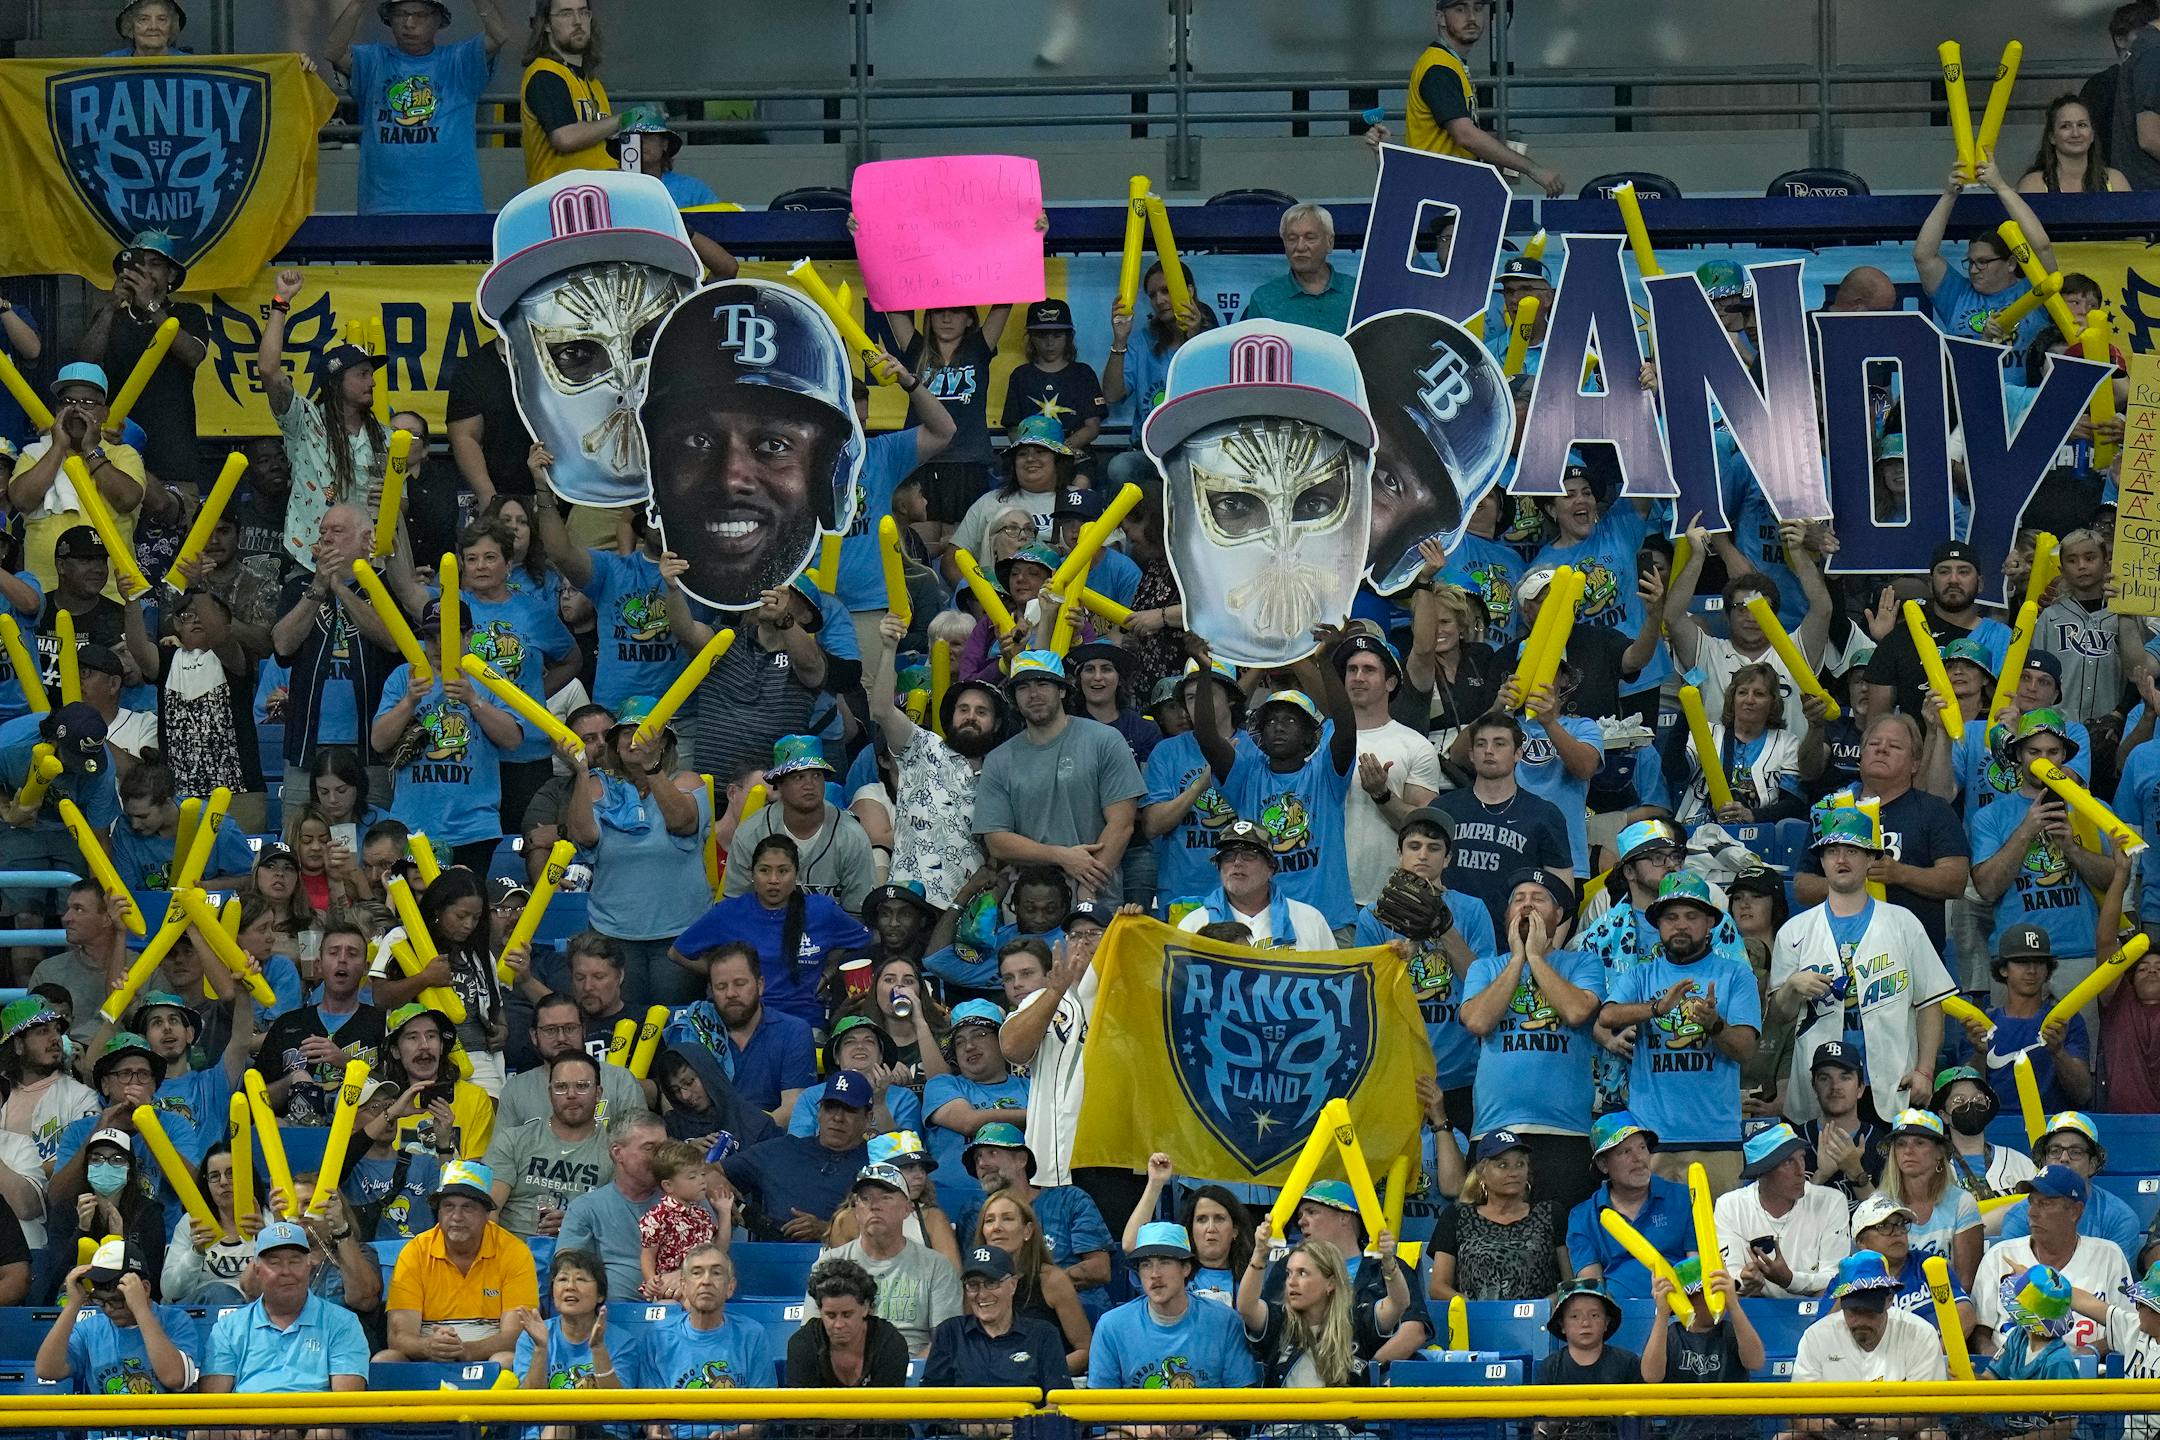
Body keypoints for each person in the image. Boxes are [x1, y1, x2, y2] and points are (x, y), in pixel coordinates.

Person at [1772, 808, 1954, 1123]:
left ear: (1870, 859)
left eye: (1852, 850)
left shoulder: (1903, 922)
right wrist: (1791, 987)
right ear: (1822, 861)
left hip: (1889, 1083)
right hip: (1819, 1087)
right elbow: (1779, 1015)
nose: (1841, 859)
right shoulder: (1794, 931)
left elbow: (1929, 1003)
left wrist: (1925, 1070)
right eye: (1832, 851)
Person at [1599, 873, 1762, 1193]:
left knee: (1719, 1242)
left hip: (1716, 1140)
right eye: (1671, 917)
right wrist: (1656, 1008)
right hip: (1651, 1142)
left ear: (1710, 923)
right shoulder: (1640, 974)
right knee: (1650, 1242)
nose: (1681, 925)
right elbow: (1608, 1015)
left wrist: (1714, 1024)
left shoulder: (1736, 975)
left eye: (1692, 916)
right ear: (1658, 924)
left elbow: (1746, 1050)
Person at [1461, 868, 1605, 1218]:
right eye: (1518, 901)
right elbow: (1478, 1021)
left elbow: (1575, 1011)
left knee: (1565, 1242)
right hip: (1494, 1132)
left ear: (1558, 916)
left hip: (1565, 1133)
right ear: (1507, 916)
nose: (1527, 906)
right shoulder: (1486, 968)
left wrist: (1537, 958)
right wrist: (1516, 960)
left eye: (1538, 899)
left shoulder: (1582, 963)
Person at [1350, 806, 1495, 1131]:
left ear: (1447, 858)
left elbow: (1484, 987)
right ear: (1399, 853)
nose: (1423, 856)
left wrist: (1443, 928)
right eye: (1414, 846)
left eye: (1434, 848)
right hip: (1397, 1071)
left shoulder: (1472, 911)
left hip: (1460, 1073)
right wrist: (1405, 946)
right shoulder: (1372, 917)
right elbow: (1367, 998)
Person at [1798, 714, 1974, 971]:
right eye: (1874, 744)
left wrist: (1901, 874)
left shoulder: (1934, 810)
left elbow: (1955, 880)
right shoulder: (1830, 809)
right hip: (1838, 957)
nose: (1882, 749)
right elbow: (1802, 885)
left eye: (1894, 746)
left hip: (1912, 958)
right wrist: (1849, 884)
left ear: (1915, 764)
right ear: (1860, 754)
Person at [567, 699, 712, 1009]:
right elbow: (583, 836)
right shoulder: (596, 786)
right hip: (614, 932)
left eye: (645, 732)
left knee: (672, 1025)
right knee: (623, 1024)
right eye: (627, 733)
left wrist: (651, 768)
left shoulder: (688, 782)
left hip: (679, 934)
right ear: (615, 745)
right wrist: (581, 773)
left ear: (665, 743)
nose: (634, 739)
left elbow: (683, 822)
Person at [976, 650, 1144, 906]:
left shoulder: (1105, 741)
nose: (1033, 694)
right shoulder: (999, 759)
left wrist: (1088, 892)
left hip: (1097, 899)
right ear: (1014, 698)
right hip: (1028, 906)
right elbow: (997, 841)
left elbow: (1122, 825)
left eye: (1043, 684)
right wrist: (1062, 856)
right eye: (1023, 687)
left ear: (1063, 691)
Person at [327, 0, 512, 215]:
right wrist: (359, 4)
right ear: (389, 19)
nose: (409, 23)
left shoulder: (459, 60)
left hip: (454, 207)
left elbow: (499, 37)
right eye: (400, 14)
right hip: (382, 209)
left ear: (438, 20)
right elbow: (333, 52)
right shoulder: (373, 60)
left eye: (420, 15)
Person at [869, 615, 1001, 911]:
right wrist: (889, 648)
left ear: (996, 724)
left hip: (965, 908)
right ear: (951, 716)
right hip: (906, 903)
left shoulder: (1002, 771)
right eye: (963, 709)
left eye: (982, 712)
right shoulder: (922, 745)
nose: (970, 716)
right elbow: (881, 709)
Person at [259, 272, 389, 569]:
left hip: (368, 569)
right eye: (362, 375)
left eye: (372, 374)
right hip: (308, 561)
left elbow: (402, 506)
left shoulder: (387, 437)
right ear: (335, 383)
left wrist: (390, 498)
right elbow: (268, 369)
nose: (372, 383)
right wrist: (281, 302)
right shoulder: (303, 422)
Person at [1364, 0, 1564, 194]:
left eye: (1478, 8)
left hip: (1449, 194)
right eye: (1460, 9)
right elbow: (1465, 136)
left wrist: (1506, 156)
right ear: (1441, 17)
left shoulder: (1451, 63)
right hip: (1442, 199)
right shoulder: (1438, 67)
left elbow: (1463, 141)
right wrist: (1533, 169)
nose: (1471, 17)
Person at [271, 503, 402, 795]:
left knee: (371, 835)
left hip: (371, 747)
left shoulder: (386, 586)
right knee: (301, 835)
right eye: (323, 532)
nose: (326, 538)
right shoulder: (299, 587)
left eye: (337, 531)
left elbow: (393, 640)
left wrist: (341, 588)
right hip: (307, 744)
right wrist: (320, 585)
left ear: (366, 538)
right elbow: (282, 645)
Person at [78, 232, 208, 495]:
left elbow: (193, 355)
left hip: (174, 457)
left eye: (154, 264)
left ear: (171, 275)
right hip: (117, 454)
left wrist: (150, 305)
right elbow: (86, 365)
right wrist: (111, 306)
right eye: (137, 264)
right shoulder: (110, 317)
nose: (145, 271)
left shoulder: (188, 314)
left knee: (178, 530)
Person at [381, 1160, 537, 1364]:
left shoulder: (515, 1251)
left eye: (468, 1208)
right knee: (386, 1360)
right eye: (448, 1206)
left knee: (506, 1360)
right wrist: (428, 1346)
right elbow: (398, 1337)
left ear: (486, 1213)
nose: (456, 1217)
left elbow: (516, 1336)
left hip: (488, 1354)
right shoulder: (415, 1252)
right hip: (429, 1351)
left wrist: (466, 1350)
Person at [7, 367, 145, 595]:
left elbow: (127, 499)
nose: (77, 410)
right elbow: (22, 500)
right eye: (68, 402)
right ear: (57, 410)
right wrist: (59, 446)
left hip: (111, 596)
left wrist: (91, 449)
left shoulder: (124, 455)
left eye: (88, 403)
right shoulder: (35, 454)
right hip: (44, 596)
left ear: (105, 414)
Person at [1435, 712, 1572, 933]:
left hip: (1514, 944)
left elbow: (1562, 895)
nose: (1489, 751)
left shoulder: (1545, 814)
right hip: (1447, 937)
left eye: (1500, 744)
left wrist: (1545, 953)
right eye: (1481, 744)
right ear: (1471, 754)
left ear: (1518, 753)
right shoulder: (1442, 809)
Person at [200, 1219, 370, 1394]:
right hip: (248, 1420)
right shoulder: (228, 1328)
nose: (286, 1271)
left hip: (317, 1420)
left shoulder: (343, 1323)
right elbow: (213, 1404)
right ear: (257, 1271)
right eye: (274, 1262)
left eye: (294, 1261)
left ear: (308, 1266)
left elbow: (345, 1405)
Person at [1087, 1221, 1259, 1390]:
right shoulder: (1111, 1327)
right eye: (1146, 1264)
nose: (1154, 1274)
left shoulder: (1225, 1322)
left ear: (1186, 1268)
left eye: (1164, 1262)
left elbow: (1241, 1402)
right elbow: (1100, 1408)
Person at [816, 1162, 963, 1356]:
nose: (874, 1206)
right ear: (856, 1211)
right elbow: (813, 1337)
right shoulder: (829, 1265)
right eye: (865, 1199)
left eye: (885, 1198)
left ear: (907, 1209)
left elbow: (945, 1340)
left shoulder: (936, 1266)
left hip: (915, 1374)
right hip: (848, 1373)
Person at [1239, 1215, 1404, 1387]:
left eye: (1303, 1273)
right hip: (1287, 1414)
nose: (1291, 1281)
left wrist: (1388, 1262)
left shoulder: (1358, 1320)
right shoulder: (1280, 1321)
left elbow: (1398, 1303)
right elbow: (1246, 1306)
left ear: (1331, 1283)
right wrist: (1259, 1254)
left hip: (1345, 1413)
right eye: (1289, 1273)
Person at [661, 943, 817, 1125]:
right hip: (701, 1139)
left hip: (768, 1141)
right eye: (720, 987)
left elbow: (792, 1110)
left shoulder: (794, 1032)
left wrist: (736, 1139)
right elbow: (671, 1100)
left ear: (760, 985)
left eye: (740, 984)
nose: (731, 994)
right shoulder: (695, 1028)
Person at [1913, 154, 2061, 345]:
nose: (1973, 270)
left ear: (2010, 263)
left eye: (1983, 262)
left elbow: (2042, 247)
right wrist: (1950, 194)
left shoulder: (2033, 289)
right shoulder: (1958, 294)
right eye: (1971, 262)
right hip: (1971, 375)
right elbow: (1923, 256)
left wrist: (2000, 186)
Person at [720, 735, 877, 912]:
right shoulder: (750, 834)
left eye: (816, 775)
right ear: (779, 783)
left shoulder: (852, 836)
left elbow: (858, 916)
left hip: (831, 935)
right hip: (765, 934)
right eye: (799, 777)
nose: (809, 784)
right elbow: (734, 909)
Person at [1949, 931, 2095, 1117]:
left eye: (2039, 962)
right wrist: (1979, 1053)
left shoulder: (2065, 1019)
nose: (2032, 970)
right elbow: (1964, 1098)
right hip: (1994, 1129)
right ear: (2003, 969)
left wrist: (2058, 1052)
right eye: (2022, 962)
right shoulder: (1981, 1023)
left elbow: (2083, 1093)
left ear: (2048, 969)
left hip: (2051, 1132)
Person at [256, 917, 384, 1126]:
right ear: (319, 965)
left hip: (360, 1139)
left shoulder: (380, 1022)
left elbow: (397, 1090)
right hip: (296, 1139)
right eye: (333, 953)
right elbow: (255, 1099)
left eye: (352, 954)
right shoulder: (287, 1025)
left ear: (365, 967)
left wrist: (347, 1064)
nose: (342, 960)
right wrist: (292, 1080)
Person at [724, 1069, 874, 1242]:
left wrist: (827, 1230)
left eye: (849, 1109)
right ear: (819, 1111)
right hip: (773, 1259)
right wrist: (715, 1182)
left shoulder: (879, 1164)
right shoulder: (782, 1150)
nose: (838, 1117)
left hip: (847, 1263)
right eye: (830, 1107)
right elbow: (708, 1172)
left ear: (868, 1118)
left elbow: (894, 1230)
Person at [36, 1237, 197, 1394]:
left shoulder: (176, 1321)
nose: (109, 1309)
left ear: (145, 1289)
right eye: (100, 1300)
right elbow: (46, 1370)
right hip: (107, 1421)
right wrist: (72, 1305)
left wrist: (140, 1309)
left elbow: (175, 1378)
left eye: (117, 1300)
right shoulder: (90, 1328)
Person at [482, 1051, 611, 1239]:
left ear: (598, 1093)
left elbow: (619, 1220)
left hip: (582, 1256)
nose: (571, 1095)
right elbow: (487, 1210)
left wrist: (577, 1224)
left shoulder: (615, 1150)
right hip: (514, 1255)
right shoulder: (513, 1141)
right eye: (561, 1087)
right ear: (549, 1093)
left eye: (582, 1086)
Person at [1712, 1121, 1849, 1298]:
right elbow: (1731, 1277)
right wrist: (1744, 1282)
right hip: (1752, 1308)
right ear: (1762, 1172)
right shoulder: (1730, 1206)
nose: (1801, 1170)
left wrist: (1789, 1280)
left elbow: (1836, 1279)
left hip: (1816, 1312)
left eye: (1801, 1157)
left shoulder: (1831, 1202)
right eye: (1788, 1162)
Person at [1565, 1112, 1692, 1299]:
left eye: (1642, 1147)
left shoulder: (1682, 1197)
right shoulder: (1583, 1216)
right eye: (1625, 1152)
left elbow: (1697, 1266)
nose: (1638, 1158)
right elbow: (1593, 1290)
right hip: (1618, 1318)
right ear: (1603, 1164)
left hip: (1681, 1312)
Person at [1994, 1112, 2144, 1271]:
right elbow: (2011, 1280)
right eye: (2055, 1151)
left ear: (2092, 1164)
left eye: (2076, 1152)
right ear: (2044, 1161)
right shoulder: (2021, 1215)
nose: (2064, 1158)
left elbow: (2113, 1285)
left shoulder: (2120, 1218)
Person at [1427, 1130, 1565, 1302]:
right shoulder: (1457, 1216)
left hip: (1539, 1321)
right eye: (1502, 1165)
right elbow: (1438, 1287)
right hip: (1476, 1319)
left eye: (1520, 1164)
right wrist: (1481, 1310)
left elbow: (1569, 1284)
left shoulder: (1550, 1214)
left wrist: (1538, 1308)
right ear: (1482, 1173)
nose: (1513, 1172)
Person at [631, 1243, 778, 1398]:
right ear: (684, 1286)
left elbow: (761, 1409)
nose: (706, 1281)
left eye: (716, 1273)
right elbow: (653, 1412)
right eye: (697, 1273)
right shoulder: (657, 1336)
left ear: (730, 1287)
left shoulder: (753, 1336)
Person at [1789, 1250, 1950, 1387]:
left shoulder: (1920, 1334)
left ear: (1889, 1300)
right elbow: (1800, 1414)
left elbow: (1926, 1415)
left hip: (1901, 1425)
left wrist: (1873, 1423)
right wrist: (1831, 1424)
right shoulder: (1816, 1337)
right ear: (1841, 1303)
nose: (1861, 1321)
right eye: (1853, 1311)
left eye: (1870, 1311)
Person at [924, 1243, 1072, 1388]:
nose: (982, 1294)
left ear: (1013, 1285)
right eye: (973, 1284)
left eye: (991, 1283)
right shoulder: (950, 1333)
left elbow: (1058, 1402)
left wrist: (1024, 1414)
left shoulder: (1043, 1335)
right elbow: (931, 1402)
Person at [1173, 819, 1335, 950]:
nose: (1237, 863)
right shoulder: (1192, 925)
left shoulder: (1310, 920)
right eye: (1228, 856)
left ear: (1270, 868)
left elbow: (1333, 984)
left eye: (1249, 855)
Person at [1880, 1108, 1984, 1288]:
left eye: (1919, 1143)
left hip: (1949, 1305)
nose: (1908, 1151)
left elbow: (1966, 1284)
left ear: (1939, 1153)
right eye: (1901, 1144)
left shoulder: (1962, 1202)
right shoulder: (1879, 1205)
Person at [519, 0, 621, 182]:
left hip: (593, 197)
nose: (578, 21)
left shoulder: (593, 83)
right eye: (566, 14)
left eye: (583, 13)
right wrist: (622, 120)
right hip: (560, 201)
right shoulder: (544, 73)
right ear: (547, 25)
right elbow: (564, 137)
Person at [1639, 1259, 1766, 1400]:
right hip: (1684, 1419)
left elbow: (1756, 1362)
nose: (1720, 1298)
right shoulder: (1669, 1336)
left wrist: (1733, 1304)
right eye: (1712, 1292)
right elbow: (1651, 1376)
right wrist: (1663, 1314)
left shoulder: (1733, 1331)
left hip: (1731, 1419)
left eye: (1723, 1292)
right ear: (1688, 1299)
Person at [508, 1246, 623, 1391]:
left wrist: (599, 1349)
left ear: (600, 1294)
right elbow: (529, 1405)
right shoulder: (532, 1337)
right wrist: (540, 1349)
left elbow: (618, 1406)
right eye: (562, 1279)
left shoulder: (622, 1342)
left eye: (580, 1279)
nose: (570, 1286)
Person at [788, 1254, 913, 1388]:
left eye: (847, 1315)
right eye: (830, 1315)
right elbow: (804, 1406)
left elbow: (887, 1406)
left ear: (865, 1308)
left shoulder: (890, 1343)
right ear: (820, 1310)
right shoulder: (803, 1344)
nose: (839, 1324)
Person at [1239, 203, 1357, 335]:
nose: (1300, 247)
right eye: (1292, 239)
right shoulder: (1264, 299)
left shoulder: (1356, 292)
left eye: (1310, 238)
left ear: (1330, 242)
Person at [1798, 1042, 1890, 1206]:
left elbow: (1888, 1220)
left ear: (1860, 1088)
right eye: (1825, 1078)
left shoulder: (1880, 1142)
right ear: (1814, 1086)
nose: (1835, 1086)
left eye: (1845, 1077)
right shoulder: (1794, 1140)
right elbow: (1784, 1219)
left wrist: (1856, 1172)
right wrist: (1821, 1176)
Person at [1983, 1264, 2084, 1407]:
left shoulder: (2059, 1361)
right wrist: (1964, 1377)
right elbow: (1989, 1381)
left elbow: (2066, 1424)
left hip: (2045, 1430)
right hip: (2010, 1428)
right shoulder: (2018, 1336)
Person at [639, 1139, 727, 1299]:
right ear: (668, 1186)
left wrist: (724, 1213)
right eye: (692, 1177)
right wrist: (651, 1280)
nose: (701, 1180)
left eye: (702, 1174)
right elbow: (648, 1254)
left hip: (700, 1284)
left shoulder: (703, 1215)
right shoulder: (659, 1216)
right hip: (669, 1290)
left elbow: (719, 1250)